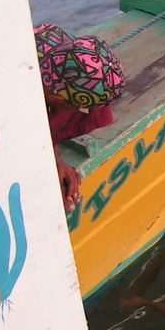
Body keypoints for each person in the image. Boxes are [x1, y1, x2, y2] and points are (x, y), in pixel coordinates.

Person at [34, 23, 125, 212]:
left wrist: (56, 160)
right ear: (55, 97)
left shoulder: (69, 58)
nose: (82, 111)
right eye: (77, 105)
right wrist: (51, 161)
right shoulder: (18, 87)